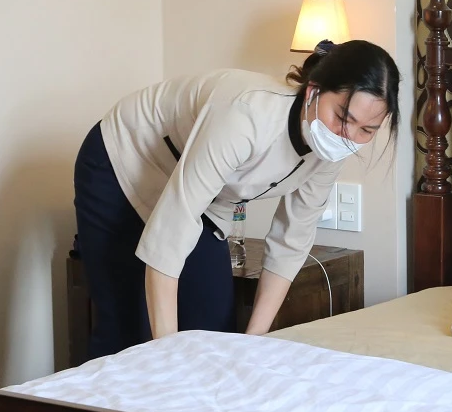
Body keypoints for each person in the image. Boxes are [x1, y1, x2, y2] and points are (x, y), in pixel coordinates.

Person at [72, 39, 400, 359]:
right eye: (343, 117)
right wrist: (166, 357)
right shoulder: (246, 115)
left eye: (367, 130)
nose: (349, 136)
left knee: (213, 328)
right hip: (124, 161)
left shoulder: (333, 149)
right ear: (313, 91)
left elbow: (292, 240)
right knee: (127, 329)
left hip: (203, 195)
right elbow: (170, 234)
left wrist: (253, 343)